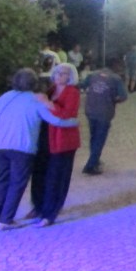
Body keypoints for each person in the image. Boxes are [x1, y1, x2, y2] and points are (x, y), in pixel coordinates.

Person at [0, 68, 79, 230]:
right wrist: (74, 122)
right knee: (17, 182)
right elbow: (55, 120)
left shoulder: (5, 97)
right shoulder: (36, 100)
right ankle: (6, 220)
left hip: (0, 145)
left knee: (2, 179)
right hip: (22, 147)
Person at [31, 62, 81, 226]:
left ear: (70, 76)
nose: (59, 75)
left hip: (62, 141)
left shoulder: (72, 92)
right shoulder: (50, 90)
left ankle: (50, 212)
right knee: (40, 173)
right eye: (57, 72)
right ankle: (38, 206)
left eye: (64, 73)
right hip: (45, 138)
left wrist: (48, 104)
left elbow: (68, 114)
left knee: (56, 176)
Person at [79, 60, 128, 174]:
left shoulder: (93, 75)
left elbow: (82, 85)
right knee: (99, 139)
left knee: (93, 136)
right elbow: (123, 96)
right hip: (105, 112)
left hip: (90, 110)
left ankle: (94, 159)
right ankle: (91, 165)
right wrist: (113, 100)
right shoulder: (115, 78)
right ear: (116, 66)